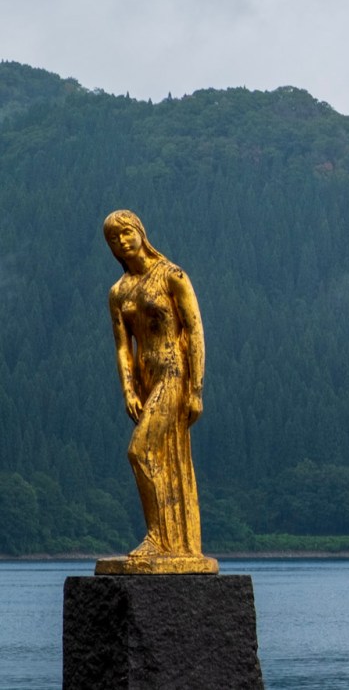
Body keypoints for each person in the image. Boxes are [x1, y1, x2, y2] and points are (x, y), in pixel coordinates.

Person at [98, 210, 217, 574]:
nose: (121, 241)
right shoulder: (119, 292)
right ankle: (174, 542)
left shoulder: (171, 275)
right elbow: (122, 346)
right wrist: (128, 388)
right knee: (159, 456)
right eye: (113, 238)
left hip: (173, 373)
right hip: (146, 379)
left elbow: (194, 330)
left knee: (140, 451)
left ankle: (160, 537)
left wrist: (196, 388)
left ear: (140, 232)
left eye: (126, 232)